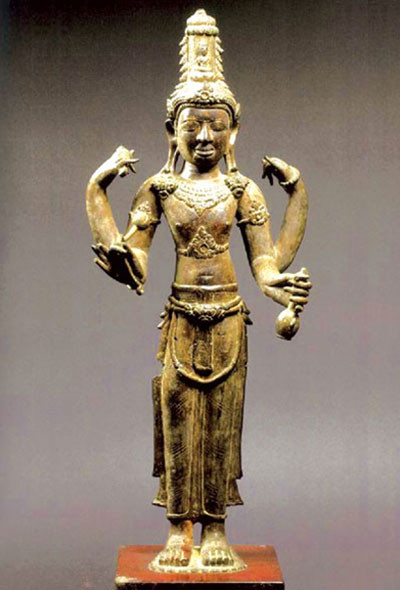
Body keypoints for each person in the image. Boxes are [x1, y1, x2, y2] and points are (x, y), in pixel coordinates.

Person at [85, 9, 311, 572]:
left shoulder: (241, 189)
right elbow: (135, 255)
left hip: (230, 319)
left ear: (234, 132)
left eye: (215, 125)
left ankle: (215, 529)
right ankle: (176, 530)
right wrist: (98, 197)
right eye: (192, 126)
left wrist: (296, 203)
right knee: (177, 421)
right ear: (172, 132)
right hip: (181, 321)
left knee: (221, 425)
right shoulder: (159, 189)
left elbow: (266, 263)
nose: (204, 137)